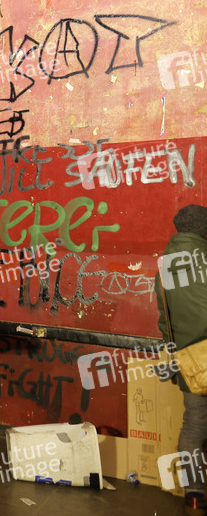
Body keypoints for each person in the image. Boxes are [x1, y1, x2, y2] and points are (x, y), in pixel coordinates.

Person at [156, 204, 207, 515]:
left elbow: (166, 320)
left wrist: (177, 355)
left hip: (190, 360)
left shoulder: (165, 266)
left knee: (194, 425)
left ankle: (194, 494)